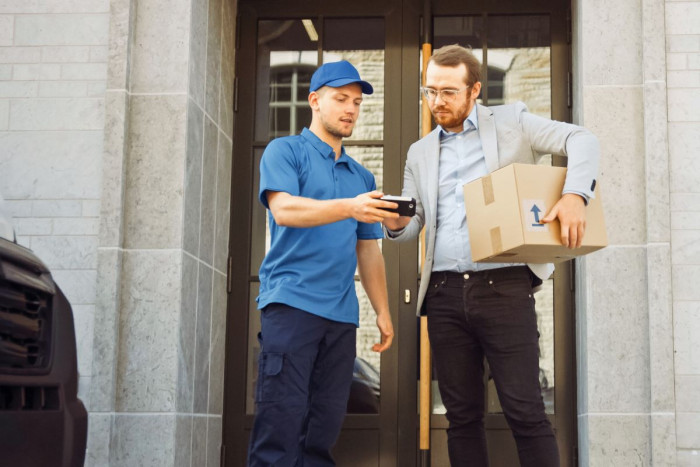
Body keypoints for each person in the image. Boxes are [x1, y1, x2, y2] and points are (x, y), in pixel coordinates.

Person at [383, 44, 599, 467]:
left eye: (448, 92)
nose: (436, 102)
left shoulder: (513, 122)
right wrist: (392, 224)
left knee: (525, 411)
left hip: (505, 287)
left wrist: (576, 194)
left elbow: (581, 137)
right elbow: (413, 227)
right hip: (443, 295)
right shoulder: (419, 152)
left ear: (474, 90)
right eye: (430, 92)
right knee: (461, 418)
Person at [248, 60, 397, 467]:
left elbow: (368, 250)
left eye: (356, 102)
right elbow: (285, 210)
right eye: (340, 99)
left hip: (340, 318)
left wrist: (382, 312)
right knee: (279, 428)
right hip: (291, 306)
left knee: (322, 434)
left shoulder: (361, 177)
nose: (350, 109)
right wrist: (349, 207)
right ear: (315, 100)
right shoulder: (285, 151)